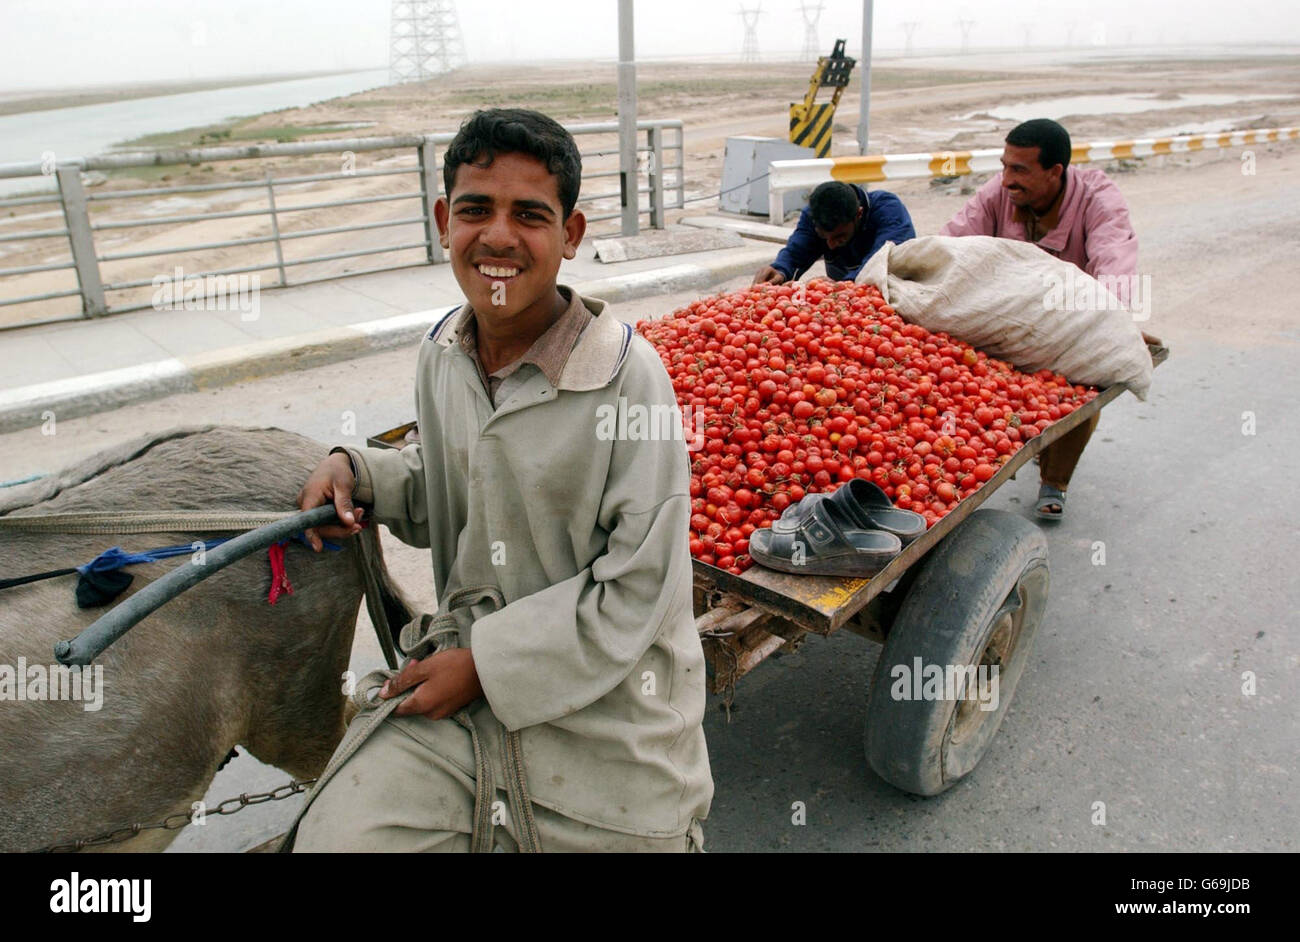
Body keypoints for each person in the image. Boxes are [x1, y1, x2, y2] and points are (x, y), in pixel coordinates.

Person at [289, 108, 713, 852]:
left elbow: (639, 589)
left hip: (611, 716)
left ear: (572, 235)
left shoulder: (627, 380)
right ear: (444, 219)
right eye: (477, 210)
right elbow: (452, 485)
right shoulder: (443, 354)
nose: (498, 237)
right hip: (459, 679)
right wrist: (359, 471)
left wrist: (488, 666)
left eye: (531, 215)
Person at [940, 118, 1152, 519]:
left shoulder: (1099, 200)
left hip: (1071, 317)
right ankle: (992, 452)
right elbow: (952, 243)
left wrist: (1111, 320)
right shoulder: (997, 194)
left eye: (1019, 170)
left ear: (1056, 172)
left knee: (1079, 390)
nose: (1005, 180)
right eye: (1004, 166)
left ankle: (1055, 480)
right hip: (1010, 311)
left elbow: (1115, 262)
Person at [754, 180, 915, 284]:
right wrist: (781, 270)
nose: (830, 246)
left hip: (895, 289)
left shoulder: (888, 210)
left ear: (858, 214)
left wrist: (844, 284)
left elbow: (883, 259)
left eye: (839, 237)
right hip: (845, 300)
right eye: (824, 237)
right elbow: (798, 251)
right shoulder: (813, 214)